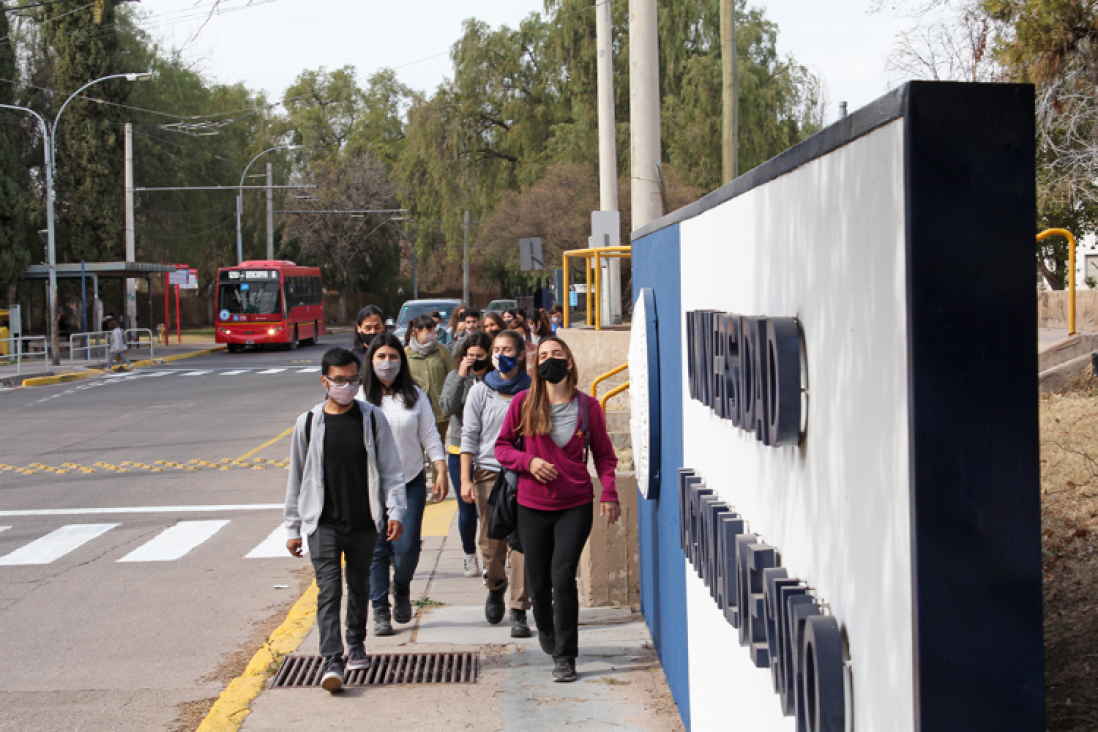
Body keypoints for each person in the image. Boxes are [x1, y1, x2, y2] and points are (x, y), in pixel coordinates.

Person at [495, 335, 619, 683]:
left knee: (563, 575)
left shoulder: (588, 407)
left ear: (569, 361)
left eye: (557, 354)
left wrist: (609, 491)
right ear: (536, 365)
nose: (550, 359)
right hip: (531, 505)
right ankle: (546, 628)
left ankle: (565, 655)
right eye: (544, 355)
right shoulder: (522, 403)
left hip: (574, 505)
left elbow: (606, 457)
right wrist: (528, 461)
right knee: (539, 582)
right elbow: (502, 447)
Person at [284, 347, 407, 693]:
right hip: (323, 523)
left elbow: (391, 470)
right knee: (329, 590)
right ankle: (331, 658)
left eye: (353, 379)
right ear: (325, 381)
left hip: (364, 522)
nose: (347, 386)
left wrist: (395, 511)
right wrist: (292, 527)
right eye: (339, 380)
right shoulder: (307, 423)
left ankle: (355, 643)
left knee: (358, 586)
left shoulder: (371, 418)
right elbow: (297, 477)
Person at [358, 334, 448, 636]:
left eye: (393, 357)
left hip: (410, 481)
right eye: (381, 357)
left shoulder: (414, 395)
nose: (387, 363)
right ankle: (380, 609)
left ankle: (402, 586)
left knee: (406, 548)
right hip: (372, 488)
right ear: (371, 361)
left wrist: (440, 468)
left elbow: (430, 434)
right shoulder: (359, 398)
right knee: (377, 549)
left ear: (402, 360)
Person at [461, 329, 533, 637]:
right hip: (489, 472)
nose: (502, 354)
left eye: (509, 349)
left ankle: (519, 607)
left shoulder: (533, 390)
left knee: (523, 542)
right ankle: (495, 586)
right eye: (498, 349)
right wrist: (465, 478)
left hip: (526, 473)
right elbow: (469, 436)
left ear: (519, 354)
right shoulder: (480, 391)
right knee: (491, 543)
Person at [439, 331, 494, 579]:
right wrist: (461, 375)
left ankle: (490, 556)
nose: (473, 361)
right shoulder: (456, 376)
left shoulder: (496, 379)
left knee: (490, 508)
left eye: (478, 356)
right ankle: (469, 555)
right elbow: (447, 407)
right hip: (460, 450)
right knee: (467, 507)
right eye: (469, 356)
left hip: (490, 450)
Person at [404, 314, 455, 443]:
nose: (433, 334)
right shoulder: (405, 353)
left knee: (437, 446)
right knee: (417, 449)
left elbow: (453, 376)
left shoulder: (442, 351)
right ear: (417, 331)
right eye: (429, 330)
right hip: (415, 408)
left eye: (434, 330)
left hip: (439, 410)